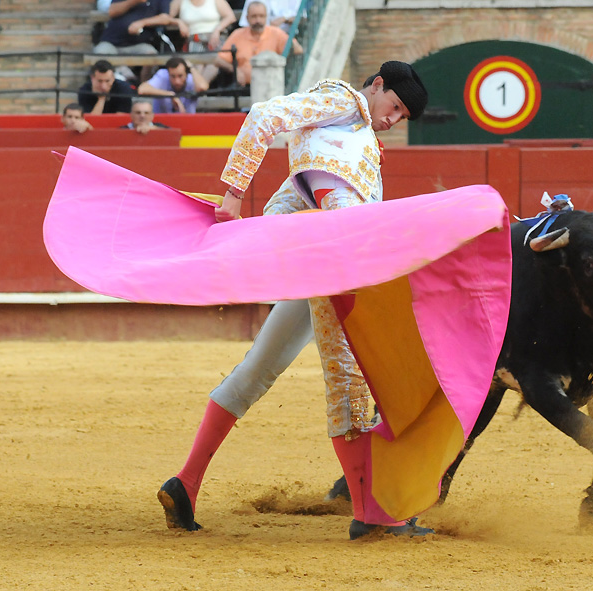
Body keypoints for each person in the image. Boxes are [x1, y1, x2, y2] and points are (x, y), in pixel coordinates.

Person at [157, 60, 431, 540]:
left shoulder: (349, 135)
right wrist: (232, 195)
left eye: (401, 117)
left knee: (255, 371)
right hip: (332, 267)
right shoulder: (343, 101)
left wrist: (270, 229)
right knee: (350, 380)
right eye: (395, 106)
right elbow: (264, 114)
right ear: (378, 85)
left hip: (320, 264)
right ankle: (370, 513)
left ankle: (187, 482)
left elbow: (293, 195)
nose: (392, 119)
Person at [214, 0, 301, 87]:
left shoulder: (276, 33)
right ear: (247, 18)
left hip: (271, 85)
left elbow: (298, 50)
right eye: (254, 16)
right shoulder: (237, 34)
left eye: (261, 16)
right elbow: (219, 60)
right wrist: (235, 70)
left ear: (266, 17)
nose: (258, 20)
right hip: (244, 86)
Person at [168, 0, 236, 83]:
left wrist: (217, 30)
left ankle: (199, 89)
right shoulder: (179, 2)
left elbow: (231, 17)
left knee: (214, 61)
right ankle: (200, 89)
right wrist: (178, 22)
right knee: (198, 64)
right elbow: (166, 18)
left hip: (214, 39)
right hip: (194, 41)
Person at [94, 0, 175, 56]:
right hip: (112, 43)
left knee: (152, 56)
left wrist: (142, 23)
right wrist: (134, 1)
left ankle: (145, 80)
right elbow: (112, 11)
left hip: (139, 44)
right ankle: (123, 72)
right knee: (100, 54)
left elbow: (165, 18)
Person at [137, 56, 208, 113]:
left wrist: (191, 68)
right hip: (161, 124)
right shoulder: (163, 75)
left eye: (180, 76)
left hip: (187, 123)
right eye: (173, 76)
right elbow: (142, 89)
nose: (177, 81)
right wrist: (170, 95)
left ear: (186, 74)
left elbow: (202, 87)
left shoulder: (191, 78)